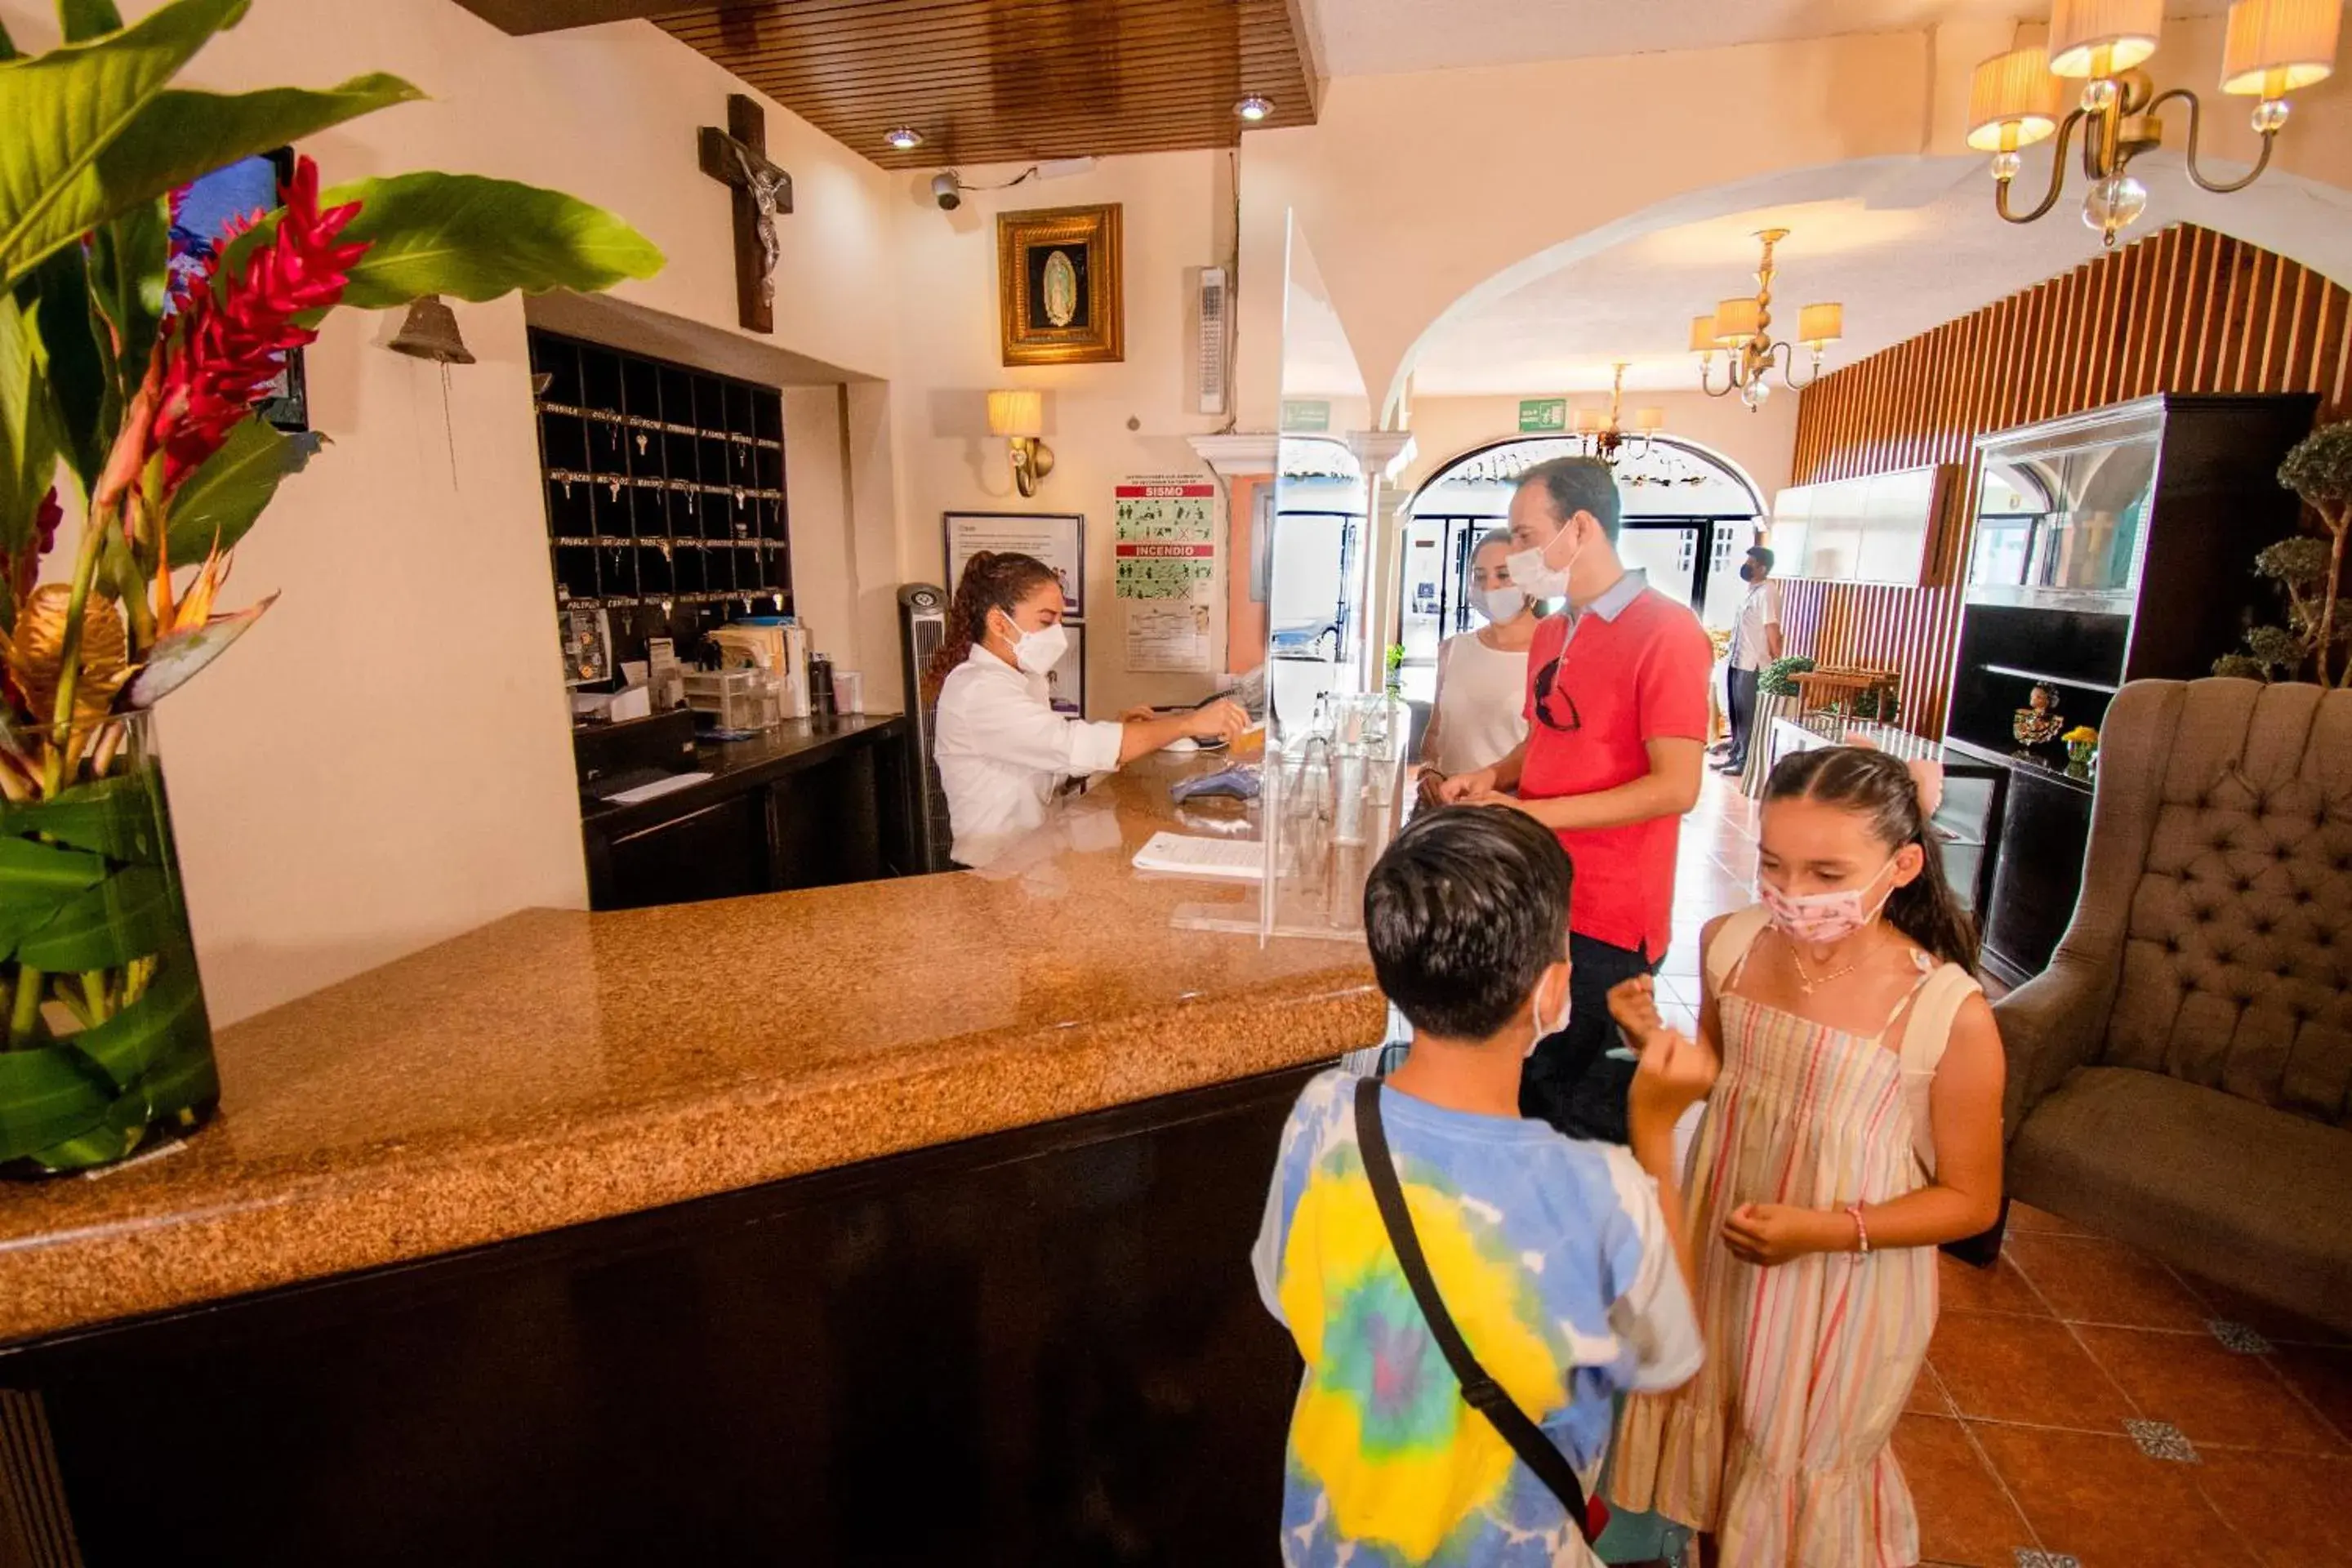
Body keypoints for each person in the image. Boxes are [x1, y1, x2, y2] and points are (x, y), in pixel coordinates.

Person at [1251, 805, 1714, 1568]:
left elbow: (1290, 1299)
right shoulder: (1600, 1191)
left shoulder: (1326, 1116)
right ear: (1554, 987)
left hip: (1333, 1540)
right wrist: (1656, 1136)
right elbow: (1666, 1355)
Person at [1606, 746, 2003, 1568]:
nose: (1794, 895)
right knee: (1721, 1438)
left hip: (1842, 1282)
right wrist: (1658, 1046)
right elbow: (1728, 1074)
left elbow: (1971, 1200)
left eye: (1828, 874)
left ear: (1902, 865)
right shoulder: (1733, 944)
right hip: (1730, 1236)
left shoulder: (1946, 1012)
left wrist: (1824, 1230)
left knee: (1792, 1463)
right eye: (1774, 866)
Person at [1438, 457, 1712, 1145]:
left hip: (1612, 913)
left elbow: (1676, 786)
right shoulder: (1556, 633)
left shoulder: (1668, 632)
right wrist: (1496, 778)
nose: (1519, 555)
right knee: (1529, 1087)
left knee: (1590, 1117)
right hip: (1539, 894)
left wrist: (1531, 814)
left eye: (1527, 537)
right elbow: (1546, 740)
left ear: (1580, 528)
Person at [926, 551, 1245, 867]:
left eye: (1059, 621)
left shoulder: (1025, 680)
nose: (1057, 634)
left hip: (1033, 863)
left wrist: (1120, 730)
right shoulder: (979, 690)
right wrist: (1186, 724)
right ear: (998, 622)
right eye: (1046, 620)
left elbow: (1051, 763)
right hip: (991, 873)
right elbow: (1068, 745)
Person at [1416, 529, 1539, 807]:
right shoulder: (1454, 649)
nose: (1490, 587)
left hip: (1508, 816)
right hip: (1443, 811)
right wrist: (1430, 769)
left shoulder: (1552, 652)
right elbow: (1436, 731)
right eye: (1480, 576)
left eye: (1504, 575)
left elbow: (1546, 752)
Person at [1717, 546, 1781, 776]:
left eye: (1751, 563)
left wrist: (1777, 661)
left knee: (1747, 714)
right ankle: (1735, 754)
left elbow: (1771, 627)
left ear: (1762, 568)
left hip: (1753, 663)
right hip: (1738, 659)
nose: (1746, 566)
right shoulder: (1751, 590)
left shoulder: (1768, 592)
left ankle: (1745, 762)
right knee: (1736, 712)